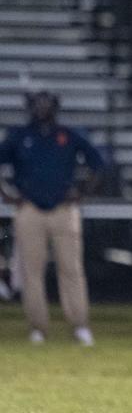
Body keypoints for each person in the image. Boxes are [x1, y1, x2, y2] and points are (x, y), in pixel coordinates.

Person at [0, 91, 105, 345]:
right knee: (30, 271)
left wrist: (81, 193)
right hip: (30, 209)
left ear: (56, 108)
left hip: (63, 209)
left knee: (71, 269)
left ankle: (79, 324)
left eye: (46, 104)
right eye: (37, 104)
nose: (42, 109)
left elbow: (98, 163)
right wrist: (7, 195)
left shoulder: (68, 135)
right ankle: (38, 327)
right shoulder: (19, 136)